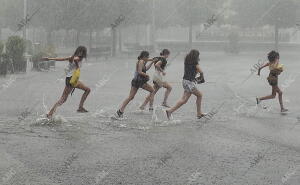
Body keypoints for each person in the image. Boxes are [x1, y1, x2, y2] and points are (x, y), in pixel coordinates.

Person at [44, 46, 91, 118]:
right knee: (63, 99)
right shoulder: (75, 58)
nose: (81, 53)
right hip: (71, 80)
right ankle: (50, 113)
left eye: (82, 52)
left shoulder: (75, 58)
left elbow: (62, 59)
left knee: (87, 90)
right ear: (78, 51)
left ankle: (80, 107)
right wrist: (49, 59)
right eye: (80, 51)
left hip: (71, 79)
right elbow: (68, 59)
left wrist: (49, 59)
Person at [166, 49, 206, 120]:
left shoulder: (187, 61)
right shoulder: (195, 63)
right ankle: (199, 113)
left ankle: (170, 111)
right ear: (196, 56)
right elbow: (201, 71)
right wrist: (201, 77)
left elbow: (193, 71)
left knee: (184, 100)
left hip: (185, 81)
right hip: (189, 83)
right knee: (199, 95)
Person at [115, 51, 155, 118]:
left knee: (131, 97)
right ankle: (150, 107)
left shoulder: (142, 61)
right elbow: (139, 71)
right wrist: (146, 75)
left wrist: (152, 61)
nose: (148, 58)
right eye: (147, 57)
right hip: (139, 81)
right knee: (152, 90)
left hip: (136, 81)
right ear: (144, 56)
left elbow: (146, 68)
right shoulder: (141, 61)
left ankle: (120, 111)